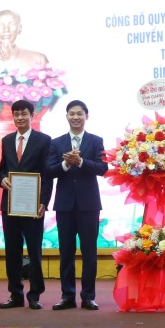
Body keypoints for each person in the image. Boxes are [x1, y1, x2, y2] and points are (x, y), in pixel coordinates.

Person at [46, 100, 107, 311]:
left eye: (79, 114)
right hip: (64, 205)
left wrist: (80, 162)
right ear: (66, 117)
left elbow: (103, 168)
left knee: (89, 252)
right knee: (66, 252)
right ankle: (67, 296)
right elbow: (49, 170)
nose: (75, 117)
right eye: (71, 114)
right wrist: (65, 164)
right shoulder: (57, 142)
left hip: (89, 205)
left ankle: (88, 296)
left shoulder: (96, 141)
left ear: (86, 116)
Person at [0, 100, 53, 310]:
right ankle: (15, 294)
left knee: (34, 251)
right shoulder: (7, 140)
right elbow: (2, 170)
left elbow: (47, 176)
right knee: (12, 251)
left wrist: (43, 202)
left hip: (32, 205)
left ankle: (35, 294)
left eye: (24, 114)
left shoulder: (44, 140)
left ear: (32, 115)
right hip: (10, 204)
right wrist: (2, 179)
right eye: (16, 114)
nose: (20, 118)